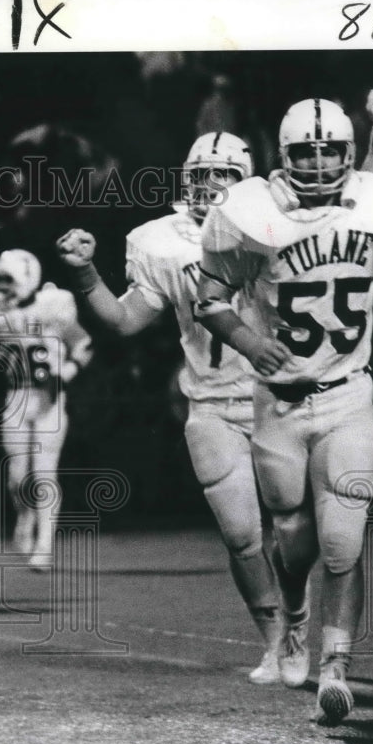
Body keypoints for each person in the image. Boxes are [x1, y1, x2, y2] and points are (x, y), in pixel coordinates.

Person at [189, 98, 373, 726]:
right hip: (280, 406)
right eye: (303, 152)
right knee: (293, 540)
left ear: (350, 155)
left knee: (344, 539)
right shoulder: (249, 214)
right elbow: (211, 299)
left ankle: (336, 667)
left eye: (330, 151)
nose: (318, 164)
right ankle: (293, 613)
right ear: (282, 158)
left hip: (348, 393)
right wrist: (249, 341)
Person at [55, 132, 284, 684]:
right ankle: (278, 643)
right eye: (201, 174)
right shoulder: (163, 240)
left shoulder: (283, 222)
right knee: (242, 535)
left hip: (282, 395)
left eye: (223, 174)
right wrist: (86, 274)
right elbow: (125, 320)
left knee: (299, 531)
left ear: (246, 181)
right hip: (210, 401)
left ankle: (302, 629)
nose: (210, 185)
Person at [0, 249, 93, 571]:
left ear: (27, 277)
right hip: (16, 397)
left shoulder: (54, 304)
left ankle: (45, 546)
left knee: (45, 474)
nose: (0, 287)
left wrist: (65, 373)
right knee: (18, 479)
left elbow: (84, 344)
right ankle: (24, 515)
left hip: (50, 398)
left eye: (7, 279)